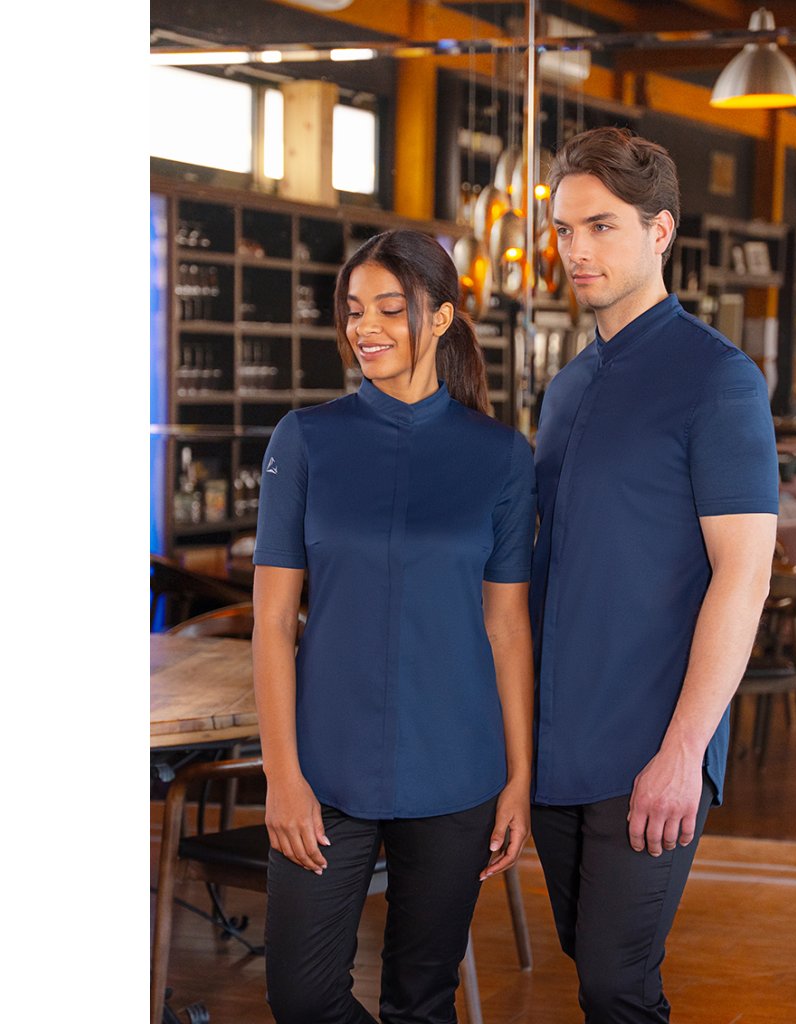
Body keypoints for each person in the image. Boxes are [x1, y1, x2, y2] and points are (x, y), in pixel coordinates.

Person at [251, 229, 536, 1024]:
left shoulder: (502, 456)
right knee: (301, 995)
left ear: (441, 318)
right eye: (354, 310)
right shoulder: (304, 440)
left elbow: (507, 628)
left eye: (387, 308)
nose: (364, 328)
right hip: (324, 764)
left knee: (423, 1000)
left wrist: (519, 776)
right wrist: (282, 775)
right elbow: (271, 622)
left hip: (458, 767)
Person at [529, 126, 779, 1023]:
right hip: (555, 740)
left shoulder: (720, 381)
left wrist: (683, 754)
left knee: (616, 982)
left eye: (602, 226)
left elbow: (743, 577)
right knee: (587, 959)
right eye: (565, 230)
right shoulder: (566, 387)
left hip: (651, 740)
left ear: (660, 230)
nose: (577, 250)